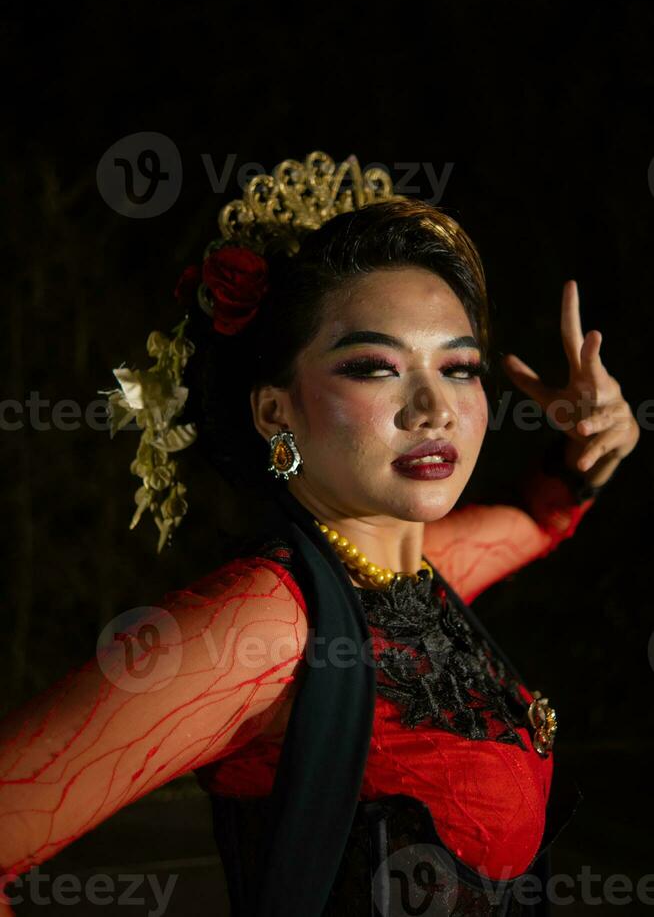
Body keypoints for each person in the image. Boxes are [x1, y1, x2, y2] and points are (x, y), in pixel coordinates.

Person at [0, 152, 640, 917]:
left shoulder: (414, 571)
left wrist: (594, 445)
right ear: (276, 412)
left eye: (461, 368)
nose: (434, 407)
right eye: (375, 367)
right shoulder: (263, 623)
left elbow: (541, 518)